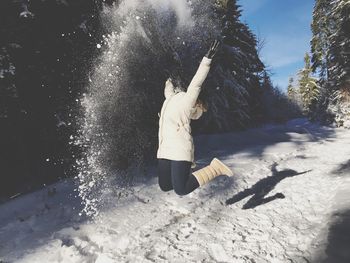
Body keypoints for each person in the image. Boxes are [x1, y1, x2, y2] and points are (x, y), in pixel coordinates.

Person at [157, 40, 233, 196]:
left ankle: (215, 168)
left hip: (179, 149)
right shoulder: (170, 97)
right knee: (165, 185)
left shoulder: (186, 100)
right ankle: (187, 174)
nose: (175, 83)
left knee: (181, 189)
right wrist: (169, 73)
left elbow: (196, 83)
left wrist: (207, 59)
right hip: (164, 149)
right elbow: (168, 86)